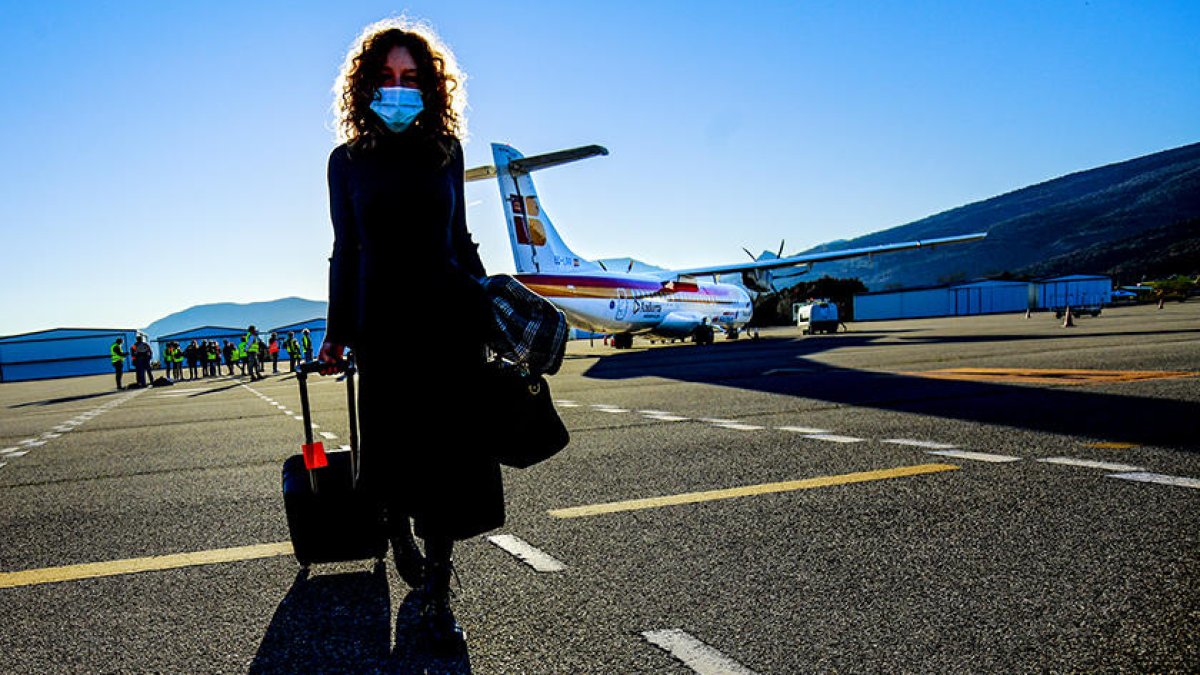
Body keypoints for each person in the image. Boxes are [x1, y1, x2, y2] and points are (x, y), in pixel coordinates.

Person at [319, 18, 502, 651]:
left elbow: (460, 240)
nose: (399, 89)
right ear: (366, 86)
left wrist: (493, 306)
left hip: (449, 325)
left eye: (412, 79)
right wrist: (336, 333)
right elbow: (346, 249)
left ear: (430, 87)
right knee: (392, 458)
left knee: (449, 465)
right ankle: (396, 527)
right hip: (384, 331)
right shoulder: (346, 163)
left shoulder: (445, 154)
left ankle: (438, 593)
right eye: (388, 78)